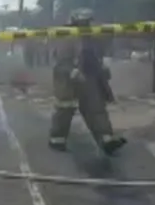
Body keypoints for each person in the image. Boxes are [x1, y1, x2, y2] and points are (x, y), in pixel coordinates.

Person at [48, 8, 127, 155]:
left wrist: (102, 68)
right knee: (65, 110)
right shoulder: (66, 36)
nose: (86, 24)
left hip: (89, 77)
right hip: (69, 82)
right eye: (83, 22)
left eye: (88, 21)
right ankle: (57, 140)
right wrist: (72, 71)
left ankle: (106, 140)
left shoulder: (92, 36)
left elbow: (98, 53)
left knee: (97, 109)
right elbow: (60, 61)